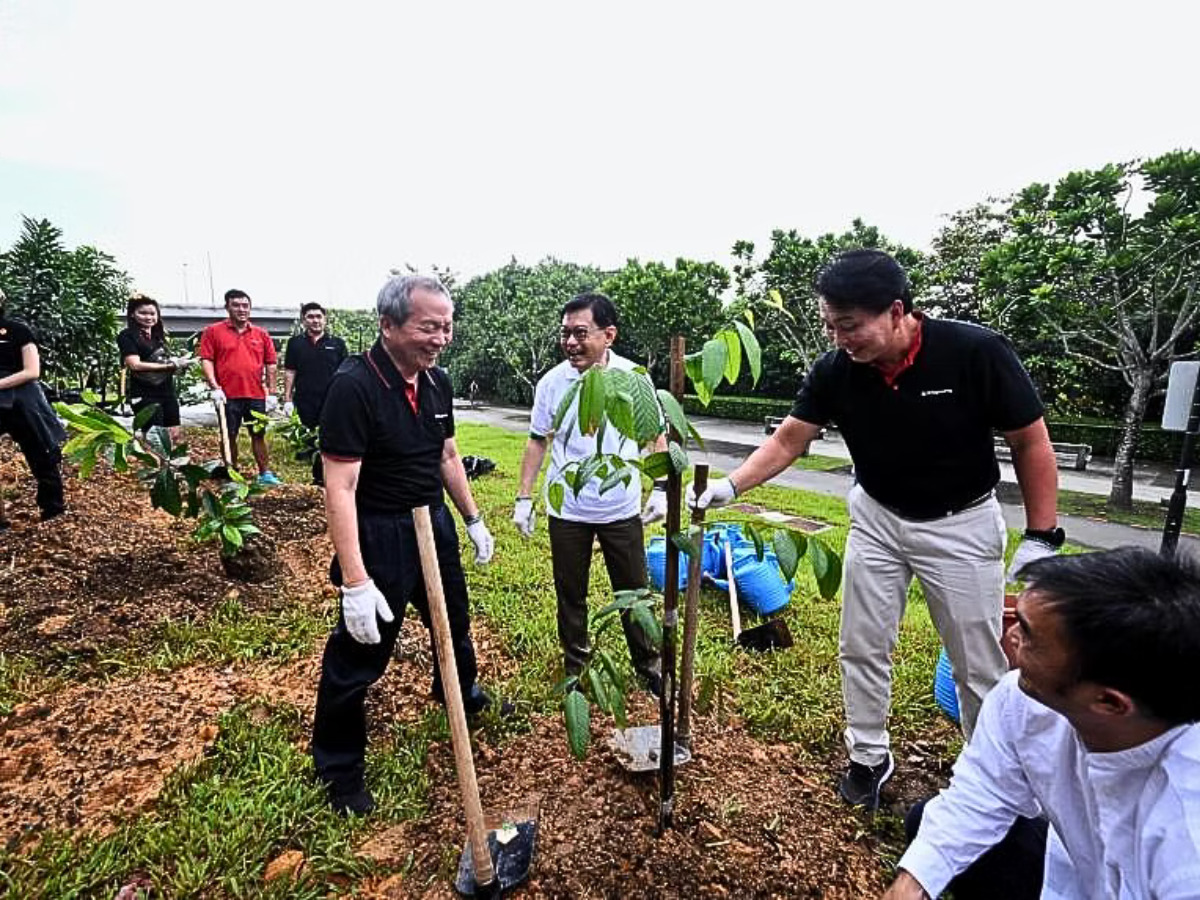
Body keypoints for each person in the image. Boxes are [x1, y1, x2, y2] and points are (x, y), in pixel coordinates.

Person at [690, 249, 1062, 810]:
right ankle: (868, 755)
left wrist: (1043, 534)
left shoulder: (974, 352)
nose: (840, 339)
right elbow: (791, 437)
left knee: (977, 658)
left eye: (849, 326)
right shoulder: (837, 371)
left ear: (895, 311)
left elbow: (1029, 441)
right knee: (861, 645)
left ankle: (990, 768)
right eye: (830, 325)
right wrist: (732, 486)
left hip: (959, 523)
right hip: (877, 519)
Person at [883, 547, 1200, 899]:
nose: (1012, 635)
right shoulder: (1023, 700)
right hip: (1072, 877)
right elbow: (984, 790)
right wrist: (911, 884)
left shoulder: (1187, 836)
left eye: (1029, 635)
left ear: (1109, 702)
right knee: (933, 833)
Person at [310, 274, 499, 816]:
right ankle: (338, 769)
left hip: (432, 524)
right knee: (361, 653)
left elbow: (446, 457)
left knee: (453, 623)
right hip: (380, 530)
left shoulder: (435, 382)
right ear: (388, 325)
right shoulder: (354, 386)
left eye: (447, 326)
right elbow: (340, 488)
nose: (441, 337)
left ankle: (459, 694)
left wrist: (472, 519)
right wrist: (355, 580)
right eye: (429, 326)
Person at [513, 292, 667, 695]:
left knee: (635, 594)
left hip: (620, 507)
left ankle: (650, 666)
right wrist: (524, 497)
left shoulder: (634, 379)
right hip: (568, 509)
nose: (570, 343)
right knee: (570, 594)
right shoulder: (552, 382)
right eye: (565, 334)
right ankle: (576, 671)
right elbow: (536, 441)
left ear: (609, 335)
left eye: (580, 333)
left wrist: (663, 488)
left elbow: (654, 435)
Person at [199, 289, 281, 486]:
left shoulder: (261, 334)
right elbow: (207, 360)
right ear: (227, 307)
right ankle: (232, 471)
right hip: (227, 395)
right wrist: (215, 387)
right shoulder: (213, 331)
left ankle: (265, 473)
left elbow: (271, 363)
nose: (241, 309)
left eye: (245, 306)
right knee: (229, 434)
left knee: (258, 434)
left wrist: (272, 393)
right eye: (236, 305)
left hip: (255, 395)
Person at [0, 287, 66, 524]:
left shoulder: (18, 331)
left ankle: (53, 512)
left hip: (23, 399)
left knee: (41, 454)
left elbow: (32, 371)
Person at [282, 302, 347, 485]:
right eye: (310, 317)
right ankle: (316, 476)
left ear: (325, 319)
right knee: (310, 438)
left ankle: (329, 476)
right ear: (304, 320)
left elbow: (346, 373)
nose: (315, 320)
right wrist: (287, 399)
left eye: (319, 317)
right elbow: (290, 371)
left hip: (332, 400)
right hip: (306, 399)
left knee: (331, 437)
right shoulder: (295, 344)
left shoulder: (337, 344)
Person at [117, 293, 195, 445]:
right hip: (144, 394)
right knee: (155, 439)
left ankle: (169, 467)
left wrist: (180, 365)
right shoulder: (126, 336)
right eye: (143, 313)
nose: (148, 317)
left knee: (174, 435)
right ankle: (157, 468)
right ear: (132, 314)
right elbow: (134, 364)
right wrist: (169, 366)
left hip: (167, 392)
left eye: (152, 313)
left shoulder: (159, 336)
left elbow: (166, 363)